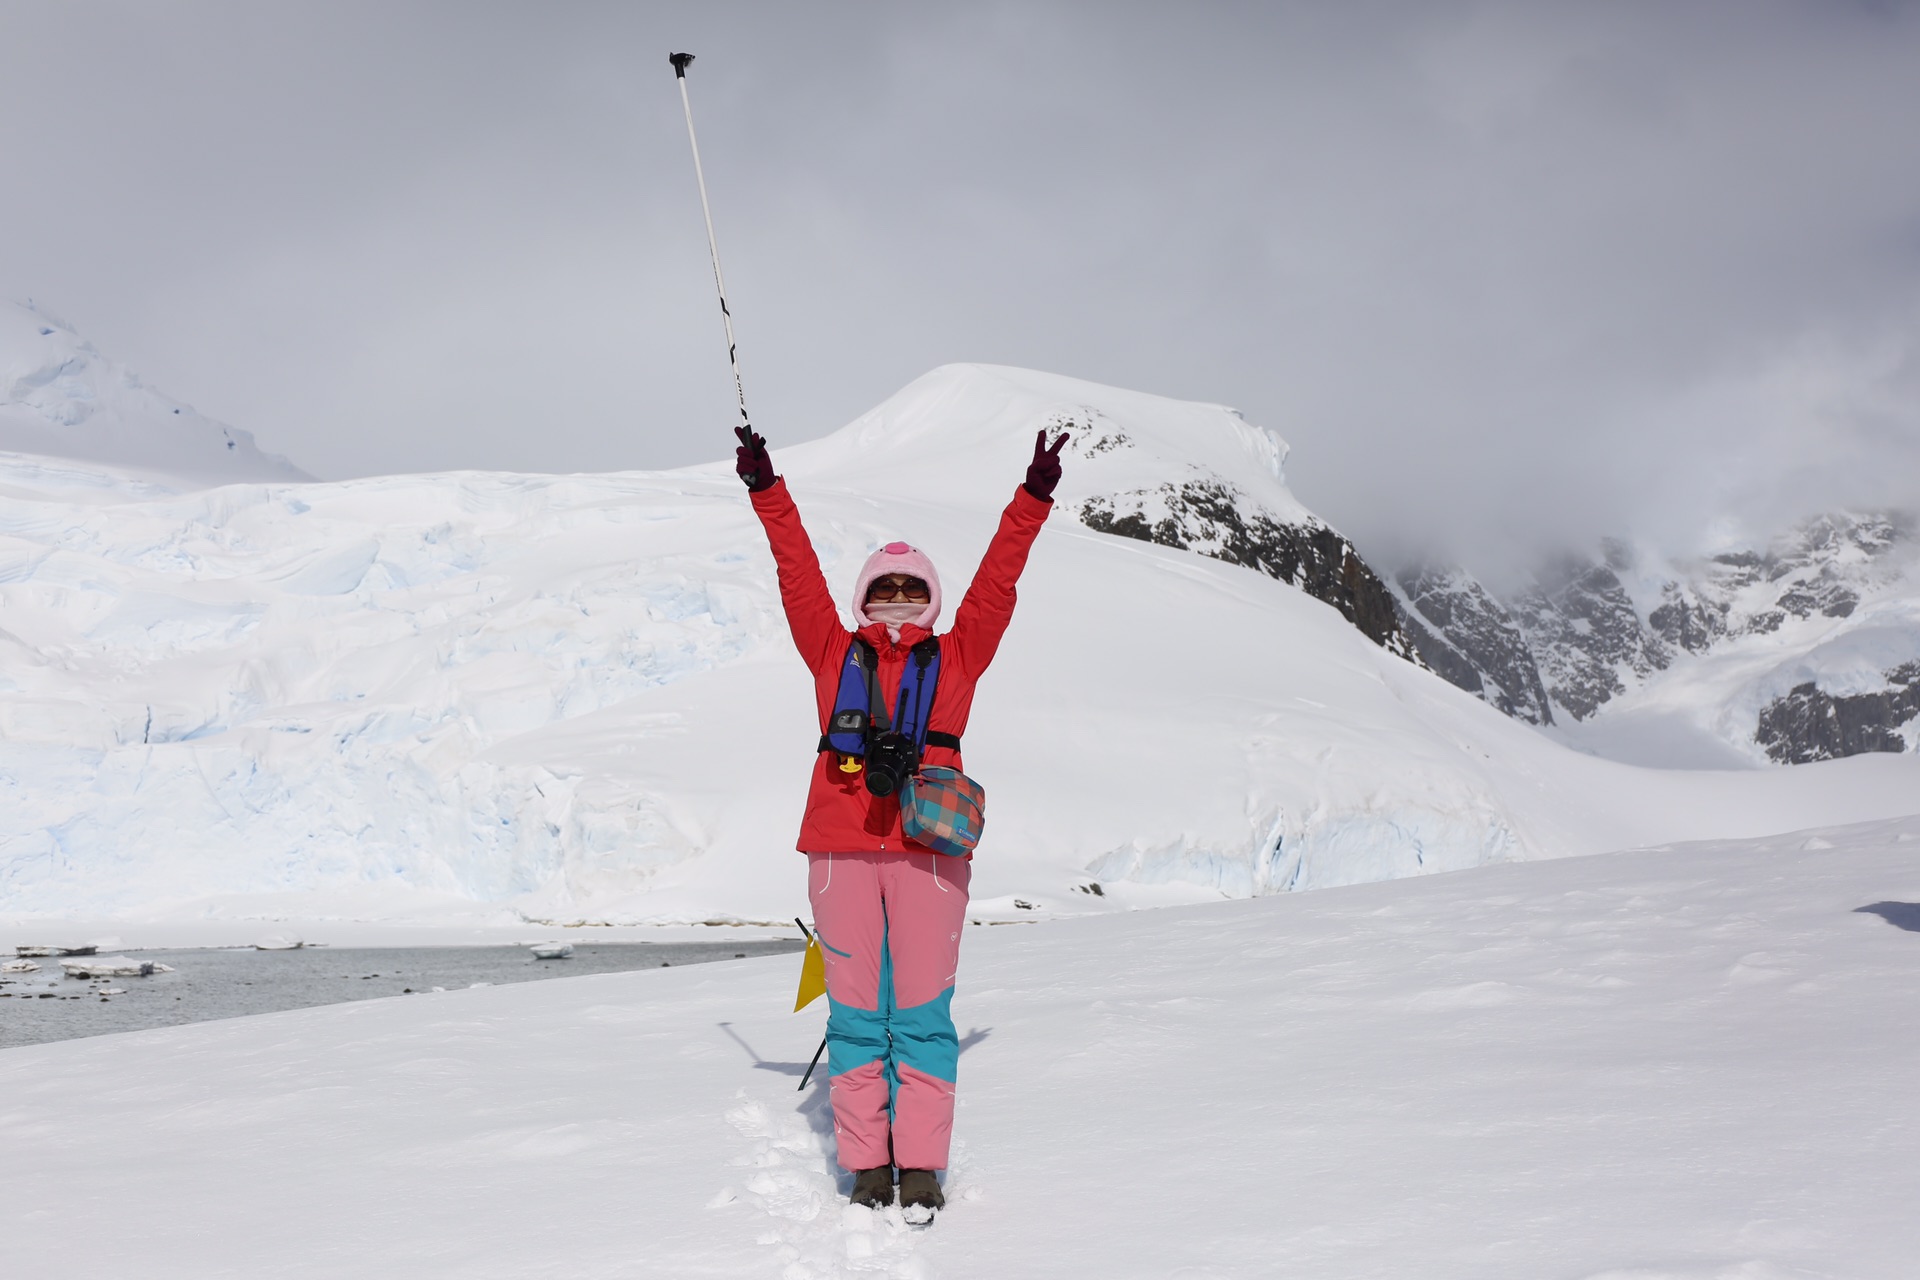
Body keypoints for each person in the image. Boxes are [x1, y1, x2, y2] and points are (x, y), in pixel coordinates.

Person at [736, 423, 1068, 1215]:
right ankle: (864, 1163)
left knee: (921, 1015)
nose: (896, 601)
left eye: (910, 588)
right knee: (855, 1017)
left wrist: (1031, 501)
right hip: (841, 853)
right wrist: (766, 491)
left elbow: (998, 585)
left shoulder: (956, 658)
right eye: (883, 589)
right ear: (861, 600)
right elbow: (797, 574)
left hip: (929, 852)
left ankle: (919, 1162)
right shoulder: (830, 650)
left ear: (930, 599)